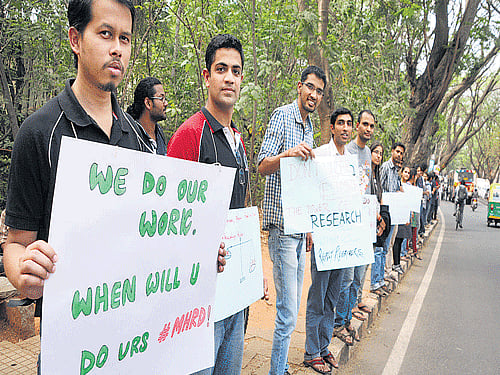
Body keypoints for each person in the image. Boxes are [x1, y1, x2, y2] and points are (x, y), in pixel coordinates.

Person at [3, 0, 153, 372]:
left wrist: (195, 250)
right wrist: (23, 270)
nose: (117, 47)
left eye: (125, 38)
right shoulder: (38, 133)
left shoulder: (138, 138)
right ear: (75, 38)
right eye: (105, 34)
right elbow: (16, 243)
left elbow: (149, 233)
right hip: (68, 345)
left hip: (131, 341)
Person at [167, 34, 250, 375]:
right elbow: (168, 218)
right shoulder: (189, 135)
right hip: (199, 294)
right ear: (206, 76)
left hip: (235, 291)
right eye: (221, 69)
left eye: (236, 70)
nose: (229, 77)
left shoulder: (239, 140)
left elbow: (239, 209)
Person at [258, 65, 326, 375]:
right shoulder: (282, 116)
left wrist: (310, 224)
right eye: (310, 88)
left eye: (320, 92)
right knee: (287, 310)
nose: (314, 95)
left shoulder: (310, 128)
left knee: (293, 306)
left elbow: (306, 180)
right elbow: (262, 165)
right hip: (282, 228)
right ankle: (277, 371)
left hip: (300, 229)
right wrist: (287, 154)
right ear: (299, 87)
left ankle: (280, 365)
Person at [302, 107, 353, 374]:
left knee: (333, 296)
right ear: (332, 128)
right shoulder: (319, 156)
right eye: (340, 123)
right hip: (323, 238)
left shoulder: (353, 162)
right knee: (318, 297)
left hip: (345, 242)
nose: (345, 128)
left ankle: (323, 347)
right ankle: (311, 352)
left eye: (349, 124)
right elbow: (308, 192)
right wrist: (309, 228)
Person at [339, 110, 375, 326]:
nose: (368, 129)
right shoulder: (347, 151)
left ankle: (350, 312)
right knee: (347, 276)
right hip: (348, 222)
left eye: (371, 126)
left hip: (365, 220)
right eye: (364, 124)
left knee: (360, 273)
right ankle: (340, 320)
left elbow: (367, 185)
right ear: (357, 127)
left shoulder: (368, 153)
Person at [380, 142, 404, 276]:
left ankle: (386, 273)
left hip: (395, 213)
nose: (399, 155)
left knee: (390, 243)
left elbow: (399, 189)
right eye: (398, 152)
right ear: (392, 151)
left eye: (401, 153)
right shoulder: (385, 168)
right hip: (386, 213)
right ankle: (381, 274)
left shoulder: (396, 172)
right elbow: (380, 188)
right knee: (384, 245)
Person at [127, 77, 168, 154]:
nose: (166, 103)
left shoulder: (159, 133)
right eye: (161, 98)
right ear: (148, 103)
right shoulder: (131, 135)